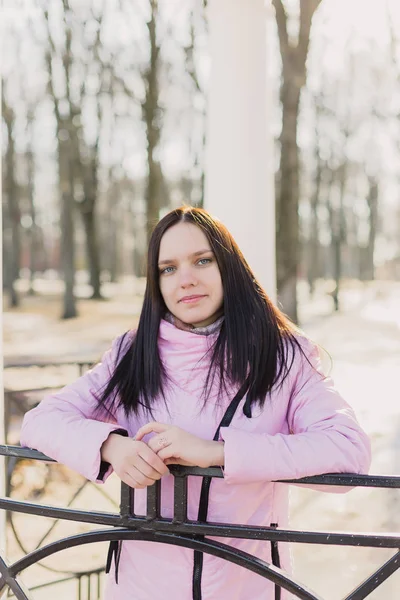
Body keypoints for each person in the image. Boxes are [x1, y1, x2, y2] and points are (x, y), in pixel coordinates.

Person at [20, 206, 371, 600]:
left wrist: (218, 452)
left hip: (246, 586)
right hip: (139, 587)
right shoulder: (131, 353)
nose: (185, 280)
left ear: (229, 268)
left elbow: (348, 450)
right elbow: (39, 421)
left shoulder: (283, 356)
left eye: (202, 261)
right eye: (168, 268)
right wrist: (110, 445)